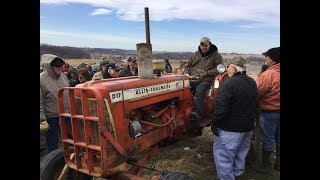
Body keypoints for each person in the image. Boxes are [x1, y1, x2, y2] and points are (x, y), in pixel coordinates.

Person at [211, 56, 257, 180]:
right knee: (240, 155)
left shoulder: (229, 84)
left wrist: (215, 124)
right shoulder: (252, 82)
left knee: (223, 158)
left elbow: (221, 107)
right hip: (247, 127)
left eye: (228, 67)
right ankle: (237, 176)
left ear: (233, 68)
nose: (227, 70)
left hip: (230, 129)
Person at [185, 37, 223, 127]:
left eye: (206, 45)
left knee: (200, 91)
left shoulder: (216, 56)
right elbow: (188, 65)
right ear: (200, 45)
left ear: (209, 45)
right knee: (183, 90)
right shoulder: (195, 54)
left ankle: (197, 113)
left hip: (206, 79)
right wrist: (186, 74)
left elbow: (220, 68)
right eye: (202, 45)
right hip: (192, 78)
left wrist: (207, 73)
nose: (204, 47)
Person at [254, 47, 280, 173]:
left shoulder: (269, 74)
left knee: (268, 138)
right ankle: (278, 164)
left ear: (273, 59)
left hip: (270, 111)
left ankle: (266, 166)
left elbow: (258, 92)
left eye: (267, 56)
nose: (265, 58)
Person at [40, 54, 70, 153]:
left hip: (66, 114)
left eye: (61, 65)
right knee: (53, 144)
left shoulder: (64, 77)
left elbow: (68, 94)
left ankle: (72, 163)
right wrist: (42, 119)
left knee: (72, 141)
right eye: (57, 66)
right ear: (49, 66)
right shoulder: (41, 80)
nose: (60, 68)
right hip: (52, 117)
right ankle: (54, 166)